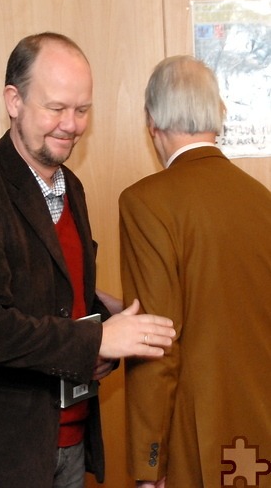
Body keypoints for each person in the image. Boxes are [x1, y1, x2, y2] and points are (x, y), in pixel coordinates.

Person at [0, 32, 176, 488]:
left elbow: (53, 291)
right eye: (56, 108)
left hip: (67, 445)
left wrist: (105, 314)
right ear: (13, 101)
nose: (71, 124)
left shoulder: (71, 188)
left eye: (82, 110)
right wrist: (95, 340)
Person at [119, 55, 271, 488]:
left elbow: (156, 340)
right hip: (260, 433)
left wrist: (151, 461)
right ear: (216, 113)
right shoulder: (262, 200)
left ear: (152, 121)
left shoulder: (146, 202)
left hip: (192, 442)